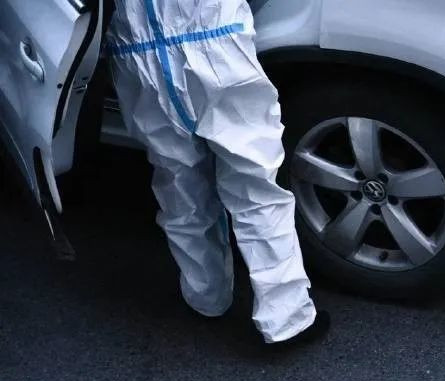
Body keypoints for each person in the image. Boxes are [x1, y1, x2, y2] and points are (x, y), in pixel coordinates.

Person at [107, 0, 329, 347]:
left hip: (137, 54)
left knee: (179, 186)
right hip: (215, 39)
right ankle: (287, 319)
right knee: (254, 187)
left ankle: (205, 297)